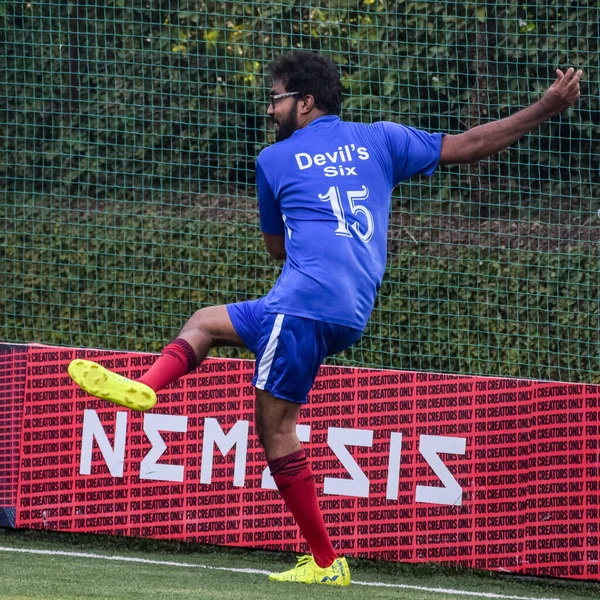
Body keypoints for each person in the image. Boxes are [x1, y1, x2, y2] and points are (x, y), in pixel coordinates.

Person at [69, 51, 582, 586]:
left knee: (276, 430)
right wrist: (545, 106)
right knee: (206, 322)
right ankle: (149, 386)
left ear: (304, 102)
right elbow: (473, 144)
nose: (270, 110)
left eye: (276, 98)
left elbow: (275, 249)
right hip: (349, 311)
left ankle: (324, 561)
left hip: (300, 304)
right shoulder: (382, 139)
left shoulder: (274, 159)